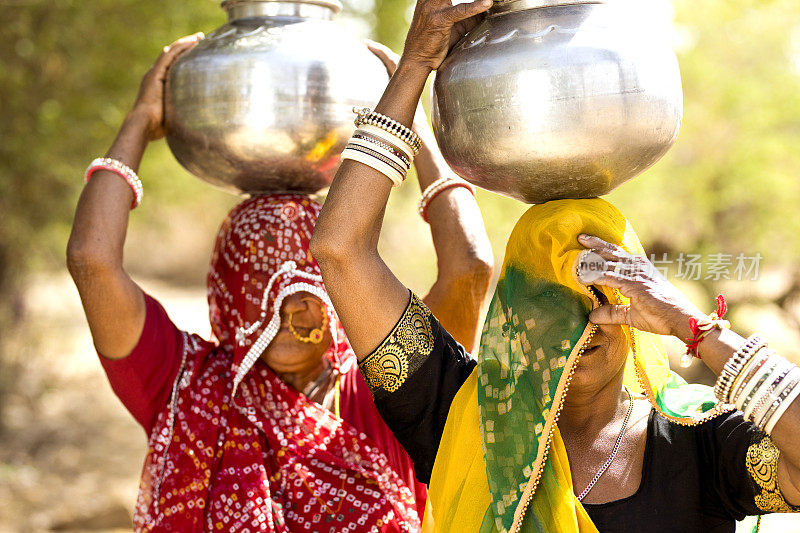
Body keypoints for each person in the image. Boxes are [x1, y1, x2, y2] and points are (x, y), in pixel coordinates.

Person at [309, 0, 800, 531]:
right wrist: (413, 70)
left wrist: (694, 327)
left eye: (603, 289)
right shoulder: (459, 416)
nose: (580, 317)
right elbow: (341, 251)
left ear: (640, 310)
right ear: (512, 312)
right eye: (549, 291)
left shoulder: (697, 439)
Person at [66, 33, 493, 531]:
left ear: (336, 291)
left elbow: (470, 267)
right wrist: (139, 122)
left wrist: (415, 129)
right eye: (258, 283)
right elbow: (91, 260)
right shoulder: (181, 383)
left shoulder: (392, 392)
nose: (285, 309)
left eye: (305, 284)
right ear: (225, 296)